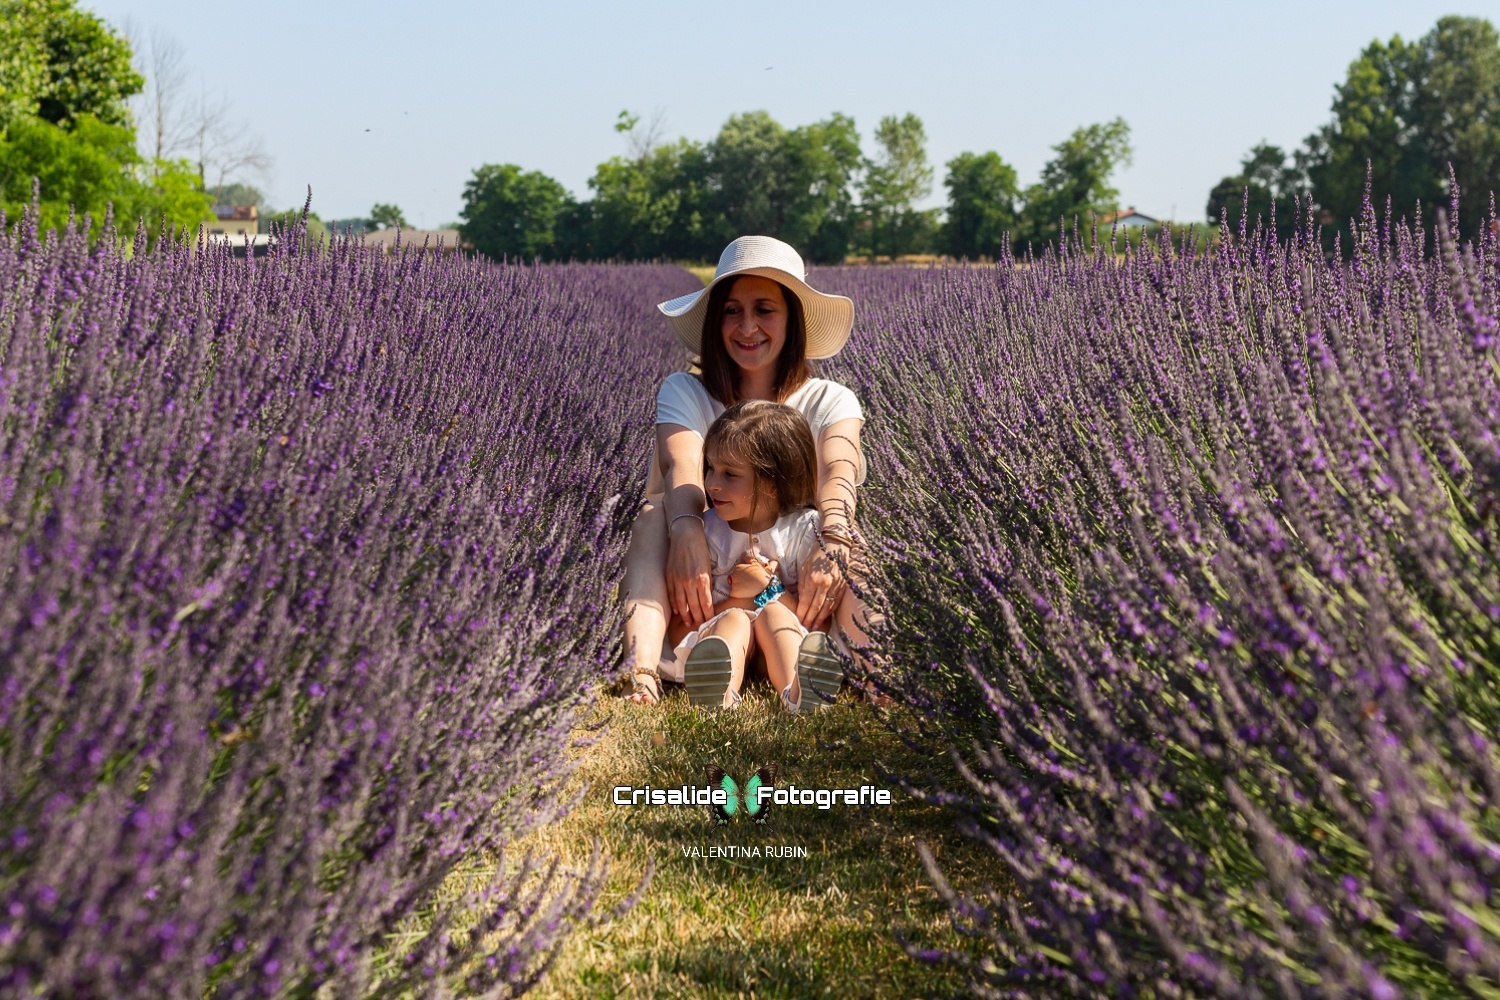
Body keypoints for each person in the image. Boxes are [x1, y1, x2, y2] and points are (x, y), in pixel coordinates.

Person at [623, 235, 871, 706]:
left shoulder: (830, 399)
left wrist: (835, 538)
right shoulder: (686, 391)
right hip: (710, 596)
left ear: (792, 319)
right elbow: (682, 462)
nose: (747, 326)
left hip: (798, 592)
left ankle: (875, 673)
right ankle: (643, 673)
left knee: (853, 537)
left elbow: (838, 470)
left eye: (764, 310)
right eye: (732, 310)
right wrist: (686, 526)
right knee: (653, 518)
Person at [667, 401, 843, 711]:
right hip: (725, 644)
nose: (711, 484)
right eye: (710, 468)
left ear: (773, 484)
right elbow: (680, 629)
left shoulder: (804, 532)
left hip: (782, 644)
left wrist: (768, 590)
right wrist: (744, 601)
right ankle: (719, 695)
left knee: (775, 614)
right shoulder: (706, 536)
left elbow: (818, 625)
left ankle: (799, 694)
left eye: (730, 474)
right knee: (734, 620)